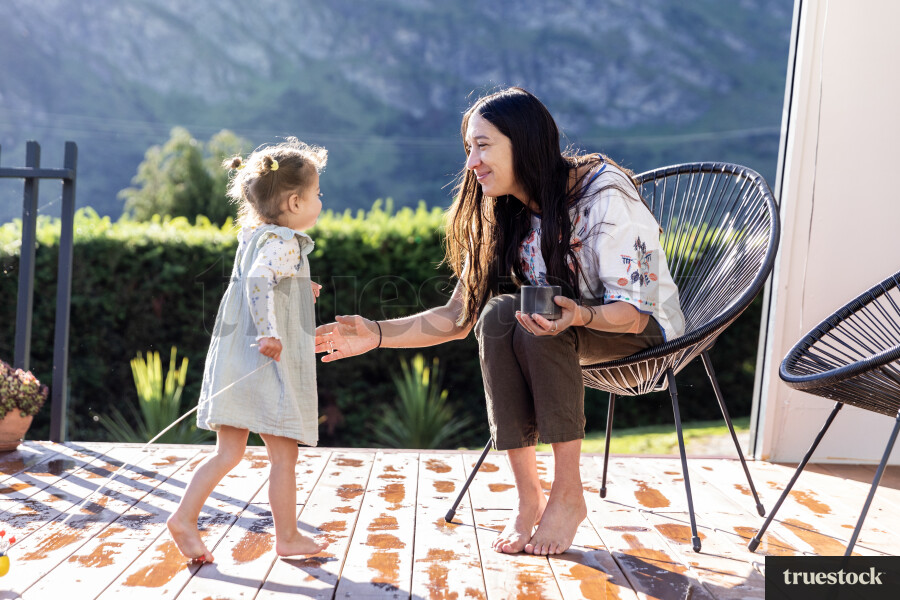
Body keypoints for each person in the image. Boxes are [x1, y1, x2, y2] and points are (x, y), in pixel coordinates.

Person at [314, 87, 684, 555]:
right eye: (469, 148)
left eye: (483, 146)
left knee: (541, 318)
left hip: (644, 337)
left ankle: (568, 495)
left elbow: (635, 313)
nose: (472, 162)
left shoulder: (606, 196)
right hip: (568, 333)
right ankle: (529, 497)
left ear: (524, 143)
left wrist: (581, 315)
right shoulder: (502, 208)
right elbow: (455, 317)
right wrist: (377, 334)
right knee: (499, 314)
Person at [167, 138, 327, 563]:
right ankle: (288, 536)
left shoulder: (257, 234)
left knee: (228, 452)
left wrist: (296, 287)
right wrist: (271, 333)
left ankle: (184, 517)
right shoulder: (285, 241)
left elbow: (265, 282)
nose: (320, 200)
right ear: (295, 201)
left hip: (237, 357)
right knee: (284, 454)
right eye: (317, 193)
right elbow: (258, 282)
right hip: (264, 362)